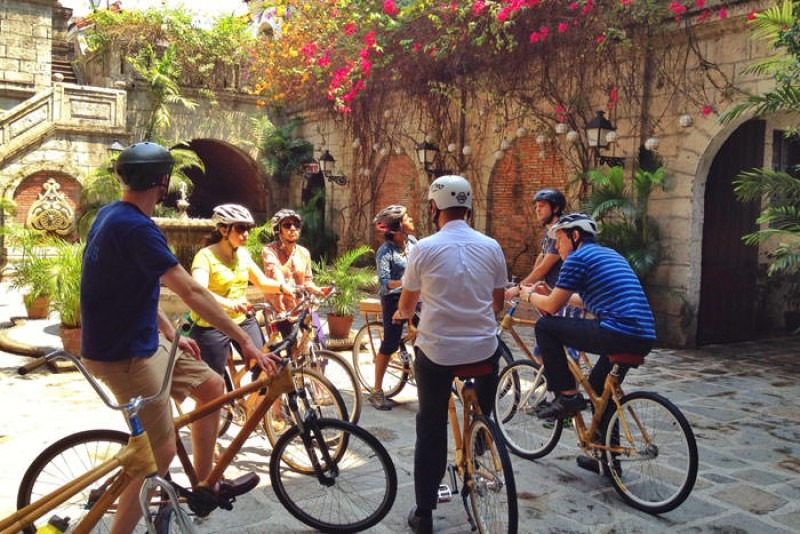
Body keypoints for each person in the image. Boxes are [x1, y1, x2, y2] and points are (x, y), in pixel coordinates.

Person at [80, 142, 280, 534]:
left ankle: (206, 483)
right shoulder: (137, 228)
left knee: (210, 385)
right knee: (159, 453)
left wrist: (170, 331)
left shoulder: (111, 215)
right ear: (163, 181)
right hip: (123, 355)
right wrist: (245, 340)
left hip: (144, 342)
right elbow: (191, 292)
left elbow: (127, 286)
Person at [394, 175, 507, 534]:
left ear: (434, 208)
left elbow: (407, 303)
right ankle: (481, 429)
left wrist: (403, 313)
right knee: (491, 361)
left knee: (430, 426)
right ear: (469, 207)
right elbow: (498, 304)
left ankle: (425, 512)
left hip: (438, 351)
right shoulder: (491, 246)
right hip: (482, 348)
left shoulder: (423, 248)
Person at [521, 213, 656, 472]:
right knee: (598, 389)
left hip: (617, 332)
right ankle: (606, 461)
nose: (557, 247)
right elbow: (584, 301)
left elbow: (550, 309)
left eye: (559, 240)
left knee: (545, 327)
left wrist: (528, 296)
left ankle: (566, 396)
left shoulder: (577, 258)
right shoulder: (608, 255)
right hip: (642, 335)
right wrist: (552, 294)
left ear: (574, 236)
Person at [189, 203, 294, 376]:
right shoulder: (205, 257)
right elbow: (199, 292)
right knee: (213, 385)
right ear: (223, 230)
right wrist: (229, 304)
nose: (245, 234)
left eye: (248, 229)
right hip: (211, 324)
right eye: (240, 228)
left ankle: (255, 401)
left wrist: (284, 288)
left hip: (241, 320)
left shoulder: (243, 254)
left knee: (267, 366)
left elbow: (261, 282)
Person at [369, 204, 417, 410]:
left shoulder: (414, 242)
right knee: (390, 343)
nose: (411, 219)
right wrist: (404, 282)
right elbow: (384, 281)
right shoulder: (384, 251)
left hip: (415, 296)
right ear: (397, 227)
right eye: (407, 218)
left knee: (425, 333)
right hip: (393, 299)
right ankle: (376, 390)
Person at [261, 208, 326, 340]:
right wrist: (284, 287)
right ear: (278, 229)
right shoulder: (270, 251)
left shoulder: (304, 253)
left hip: (301, 307)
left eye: (296, 225)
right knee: (286, 349)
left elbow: (307, 280)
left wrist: (318, 289)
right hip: (279, 310)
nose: (293, 228)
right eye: (287, 225)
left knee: (319, 341)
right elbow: (274, 271)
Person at [504, 188, 566, 302]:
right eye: (536, 206)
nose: (537, 210)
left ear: (556, 208)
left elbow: (544, 267)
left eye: (542, 206)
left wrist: (519, 288)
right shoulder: (550, 232)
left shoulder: (560, 232)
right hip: (552, 291)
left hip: (564, 295)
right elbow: (541, 256)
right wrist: (529, 283)